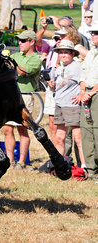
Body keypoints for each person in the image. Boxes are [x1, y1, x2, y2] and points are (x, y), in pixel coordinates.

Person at [2, 30, 42, 169]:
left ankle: (22, 162)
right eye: (19, 40)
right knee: (7, 129)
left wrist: (9, 63)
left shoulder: (35, 59)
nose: (20, 43)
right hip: (9, 96)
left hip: (24, 96)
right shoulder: (16, 55)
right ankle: (10, 161)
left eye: (23, 40)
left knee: (22, 130)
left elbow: (22, 71)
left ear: (32, 42)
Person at [48, 40, 86, 172]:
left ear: (72, 54)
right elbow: (58, 87)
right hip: (59, 105)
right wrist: (52, 86)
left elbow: (84, 81)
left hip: (72, 106)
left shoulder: (78, 67)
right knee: (59, 138)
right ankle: (61, 166)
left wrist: (82, 94)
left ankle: (84, 167)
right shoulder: (59, 68)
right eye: (61, 52)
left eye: (66, 52)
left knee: (78, 138)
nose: (63, 55)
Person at [74, 24, 98, 180]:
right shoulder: (91, 54)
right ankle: (91, 170)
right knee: (86, 131)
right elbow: (83, 75)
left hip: (95, 94)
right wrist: (83, 92)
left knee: (97, 130)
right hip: (86, 95)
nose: (93, 35)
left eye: (96, 33)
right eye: (92, 33)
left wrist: (90, 93)